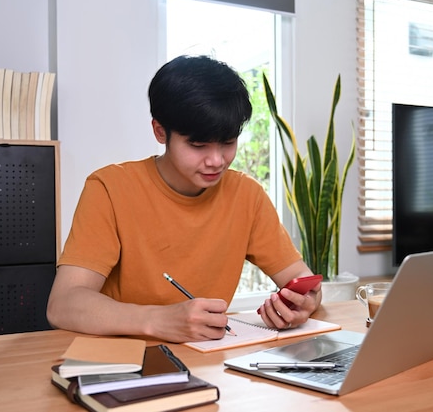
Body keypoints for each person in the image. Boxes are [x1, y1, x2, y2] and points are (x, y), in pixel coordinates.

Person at [46, 55, 322, 343]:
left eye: (228, 143)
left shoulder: (247, 195)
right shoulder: (109, 188)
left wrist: (304, 304)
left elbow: (304, 282)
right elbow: (63, 304)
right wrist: (157, 320)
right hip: (124, 361)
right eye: (198, 145)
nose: (217, 160)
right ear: (160, 131)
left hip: (212, 361)